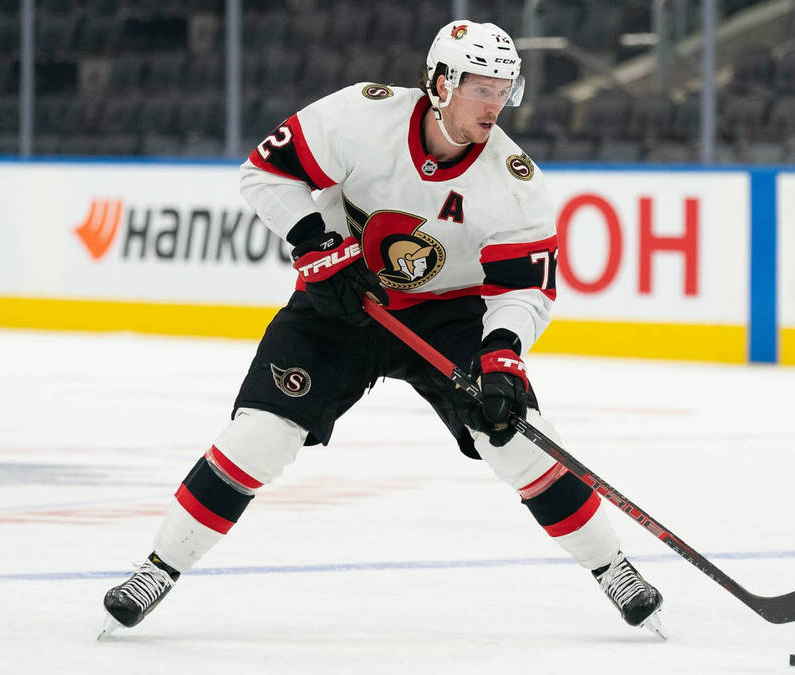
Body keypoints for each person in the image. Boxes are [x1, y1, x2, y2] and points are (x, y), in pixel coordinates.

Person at [100, 19, 664, 639]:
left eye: (504, 90)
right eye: (482, 89)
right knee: (262, 434)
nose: (495, 105)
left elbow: (524, 289)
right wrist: (317, 244)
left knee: (519, 438)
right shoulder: (360, 117)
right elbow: (264, 173)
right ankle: (158, 568)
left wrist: (503, 353)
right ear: (441, 84)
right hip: (343, 301)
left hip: (448, 315)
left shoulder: (513, 182)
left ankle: (613, 569)